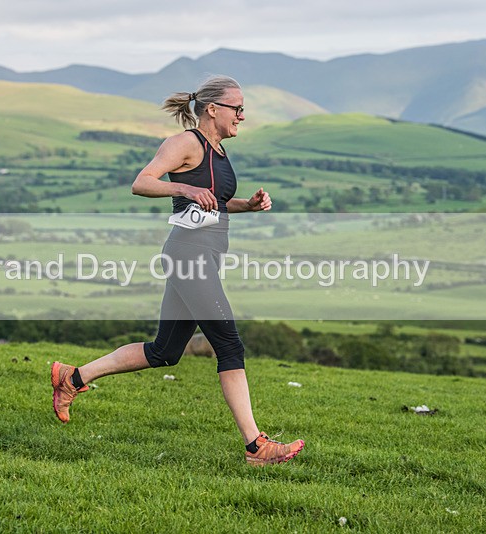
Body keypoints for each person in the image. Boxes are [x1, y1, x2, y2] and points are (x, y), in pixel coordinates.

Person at [51, 75, 304, 466]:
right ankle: (256, 446)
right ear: (213, 109)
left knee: (165, 351)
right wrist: (183, 190)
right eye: (237, 108)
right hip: (189, 255)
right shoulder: (185, 143)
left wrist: (246, 206)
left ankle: (72, 378)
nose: (242, 115)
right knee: (230, 344)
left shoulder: (218, 151)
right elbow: (142, 183)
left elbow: (214, 201)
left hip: (203, 255)